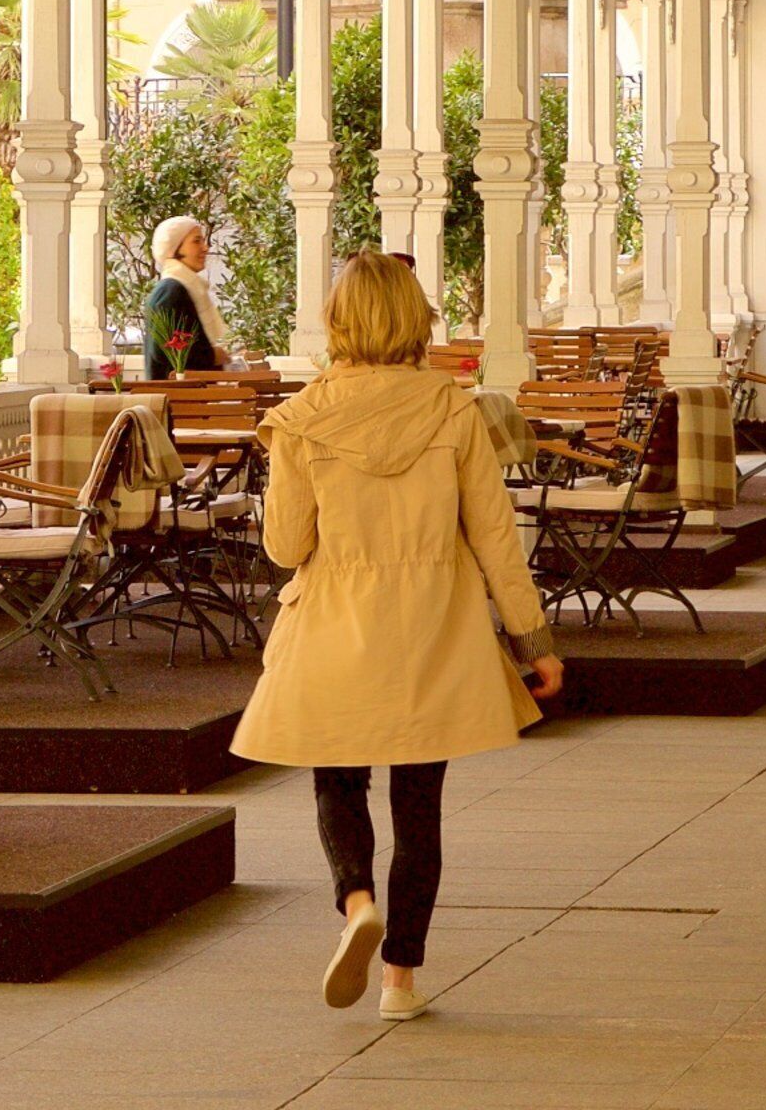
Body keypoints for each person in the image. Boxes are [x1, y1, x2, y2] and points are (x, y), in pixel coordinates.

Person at [231, 251, 562, 1024]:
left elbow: (285, 546)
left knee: (337, 781)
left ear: (337, 320)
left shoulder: (301, 419)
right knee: (420, 807)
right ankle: (399, 981)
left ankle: (356, 902)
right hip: (433, 625)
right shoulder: (454, 410)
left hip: (335, 621)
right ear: (417, 317)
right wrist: (533, 642)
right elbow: (495, 537)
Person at [142, 215, 235, 379]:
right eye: (196, 241)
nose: (205, 248)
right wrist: (213, 356)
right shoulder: (170, 291)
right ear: (174, 248)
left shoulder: (185, 288)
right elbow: (168, 351)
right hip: (176, 392)